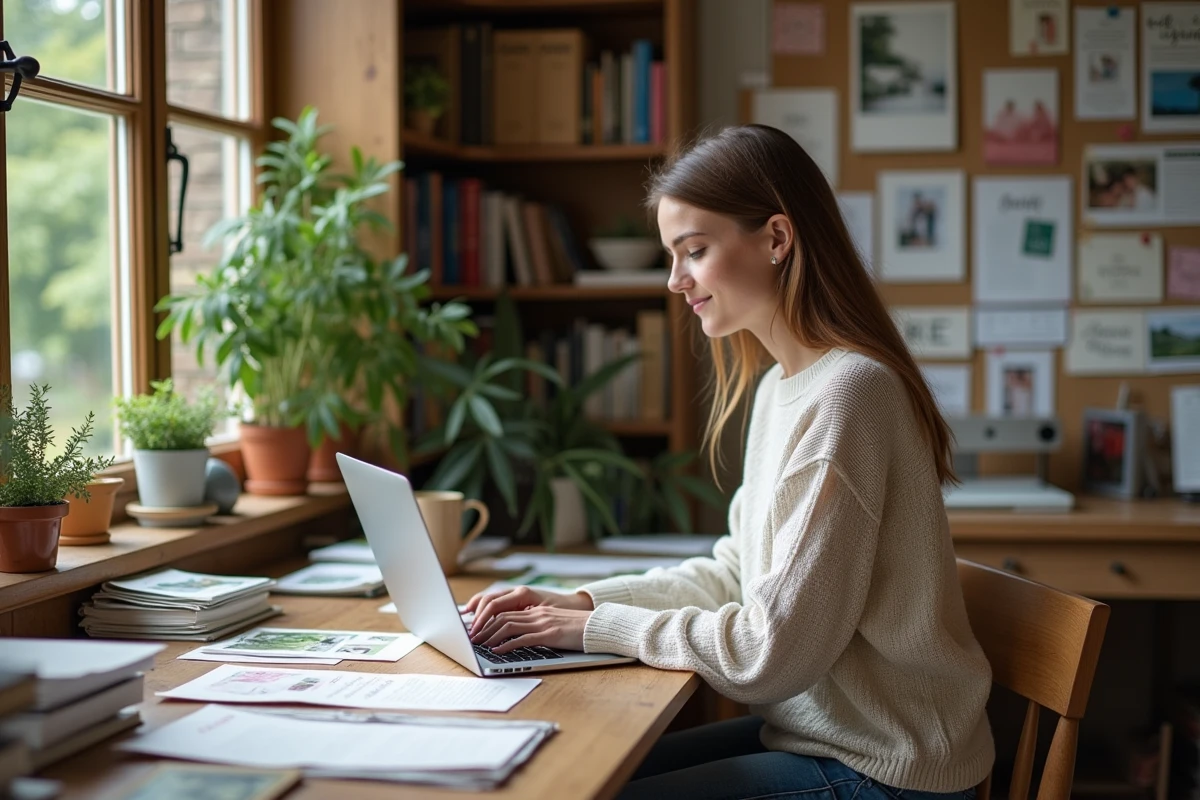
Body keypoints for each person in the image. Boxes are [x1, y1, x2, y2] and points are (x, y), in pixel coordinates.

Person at [464, 124, 995, 800]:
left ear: (777, 238)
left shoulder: (850, 395)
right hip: (824, 734)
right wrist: (577, 603)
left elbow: (766, 657)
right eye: (672, 255)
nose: (674, 279)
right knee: (570, 772)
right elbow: (737, 573)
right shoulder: (782, 387)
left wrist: (593, 629)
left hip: (885, 765)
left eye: (694, 251)